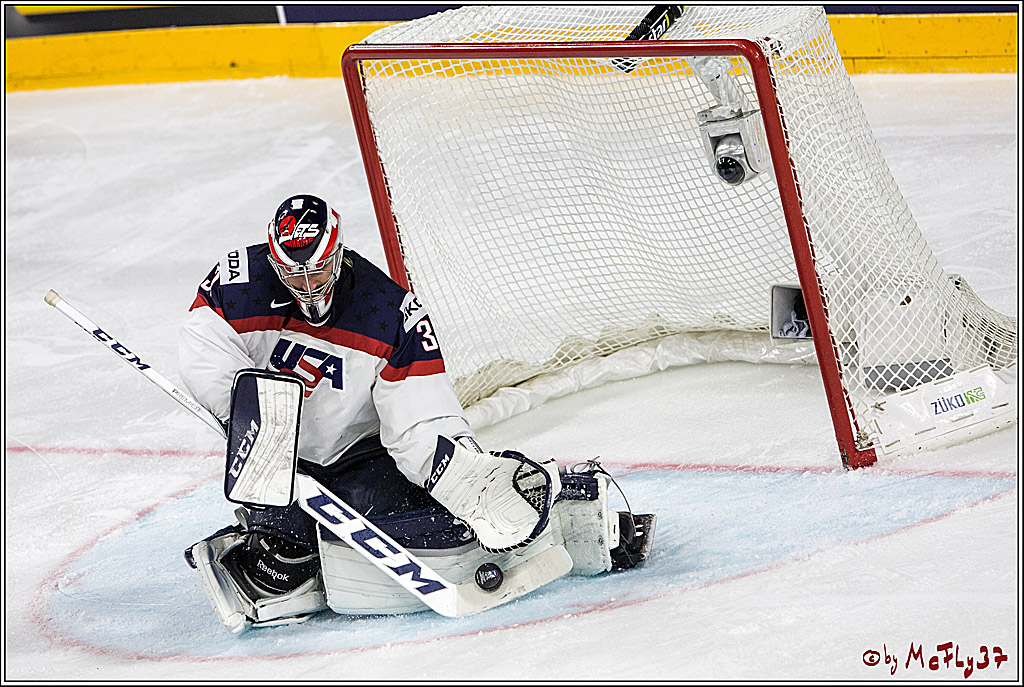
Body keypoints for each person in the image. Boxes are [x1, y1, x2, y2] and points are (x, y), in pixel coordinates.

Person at [178, 193, 654, 632]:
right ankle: (283, 548)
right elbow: (203, 347)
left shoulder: (387, 312)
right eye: (293, 275)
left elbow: (420, 418)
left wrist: (461, 476)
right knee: (284, 547)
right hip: (276, 452)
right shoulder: (238, 281)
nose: (306, 287)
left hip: (357, 453)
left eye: (317, 272)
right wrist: (252, 416)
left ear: (337, 253)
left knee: (431, 524)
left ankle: (568, 505)